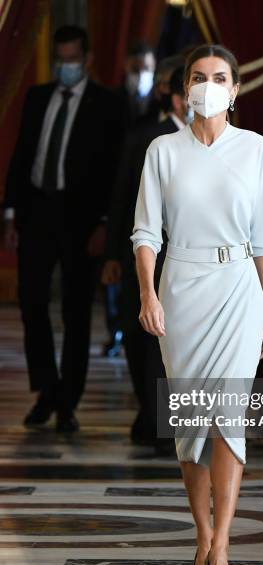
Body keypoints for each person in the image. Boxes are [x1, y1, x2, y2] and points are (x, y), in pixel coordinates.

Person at [130, 44, 263, 565]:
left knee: (228, 417)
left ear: (236, 90)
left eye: (219, 77)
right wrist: (149, 295)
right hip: (182, 290)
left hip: (239, 289)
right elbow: (146, 232)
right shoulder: (162, 151)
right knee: (192, 422)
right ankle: (200, 533)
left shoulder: (256, 149)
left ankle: (221, 548)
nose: (208, 85)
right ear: (183, 87)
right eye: (199, 76)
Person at [2, 25, 124, 433]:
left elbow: (114, 171)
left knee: (76, 312)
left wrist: (106, 224)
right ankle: (47, 387)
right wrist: (11, 214)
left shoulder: (107, 104)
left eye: (72, 59)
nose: (65, 67)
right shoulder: (38, 97)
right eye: (60, 60)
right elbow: (22, 156)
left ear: (87, 60)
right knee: (32, 301)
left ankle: (66, 400)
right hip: (37, 213)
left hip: (82, 222)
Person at [102, 65, 191, 453]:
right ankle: (154, 417)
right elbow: (122, 197)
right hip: (148, 253)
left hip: (192, 258)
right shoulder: (147, 138)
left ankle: (163, 419)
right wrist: (112, 255)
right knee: (146, 338)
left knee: (179, 342)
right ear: (176, 99)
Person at [118, 40, 157, 128]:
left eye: (147, 68)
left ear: (154, 66)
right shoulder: (112, 99)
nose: (141, 75)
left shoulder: (161, 102)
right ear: (125, 66)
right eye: (135, 69)